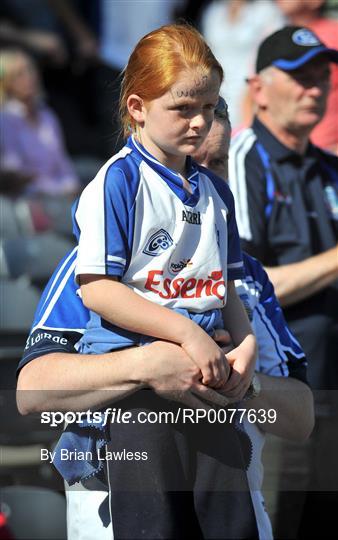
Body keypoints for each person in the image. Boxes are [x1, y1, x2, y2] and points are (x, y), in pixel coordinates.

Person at [17, 99, 313, 540]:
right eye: (191, 162)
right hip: (115, 498)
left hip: (230, 493)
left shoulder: (246, 277)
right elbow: (31, 393)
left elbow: (301, 418)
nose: (203, 178)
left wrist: (238, 382)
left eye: (218, 162)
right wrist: (148, 366)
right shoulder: (97, 263)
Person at [228, 25, 338, 538]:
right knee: (279, 522)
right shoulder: (243, 160)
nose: (315, 87)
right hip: (281, 391)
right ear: (259, 89)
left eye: (322, 76)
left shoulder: (330, 169)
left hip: (331, 387)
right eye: (300, 76)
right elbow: (247, 288)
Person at [0, 48, 80, 196]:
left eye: (30, 70)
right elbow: (15, 171)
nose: (29, 77)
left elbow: (62, 161)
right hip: (29, 198)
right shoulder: (5, 119)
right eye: (19, 74)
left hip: (59, 194)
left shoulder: (48, 116)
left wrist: (71, 185)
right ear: (7, 82)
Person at [276, 0, 338, 154]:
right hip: (283, 156)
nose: (314, 90)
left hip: (328, 154)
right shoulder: (273, 36)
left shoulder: (334, 34)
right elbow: (251, 97)